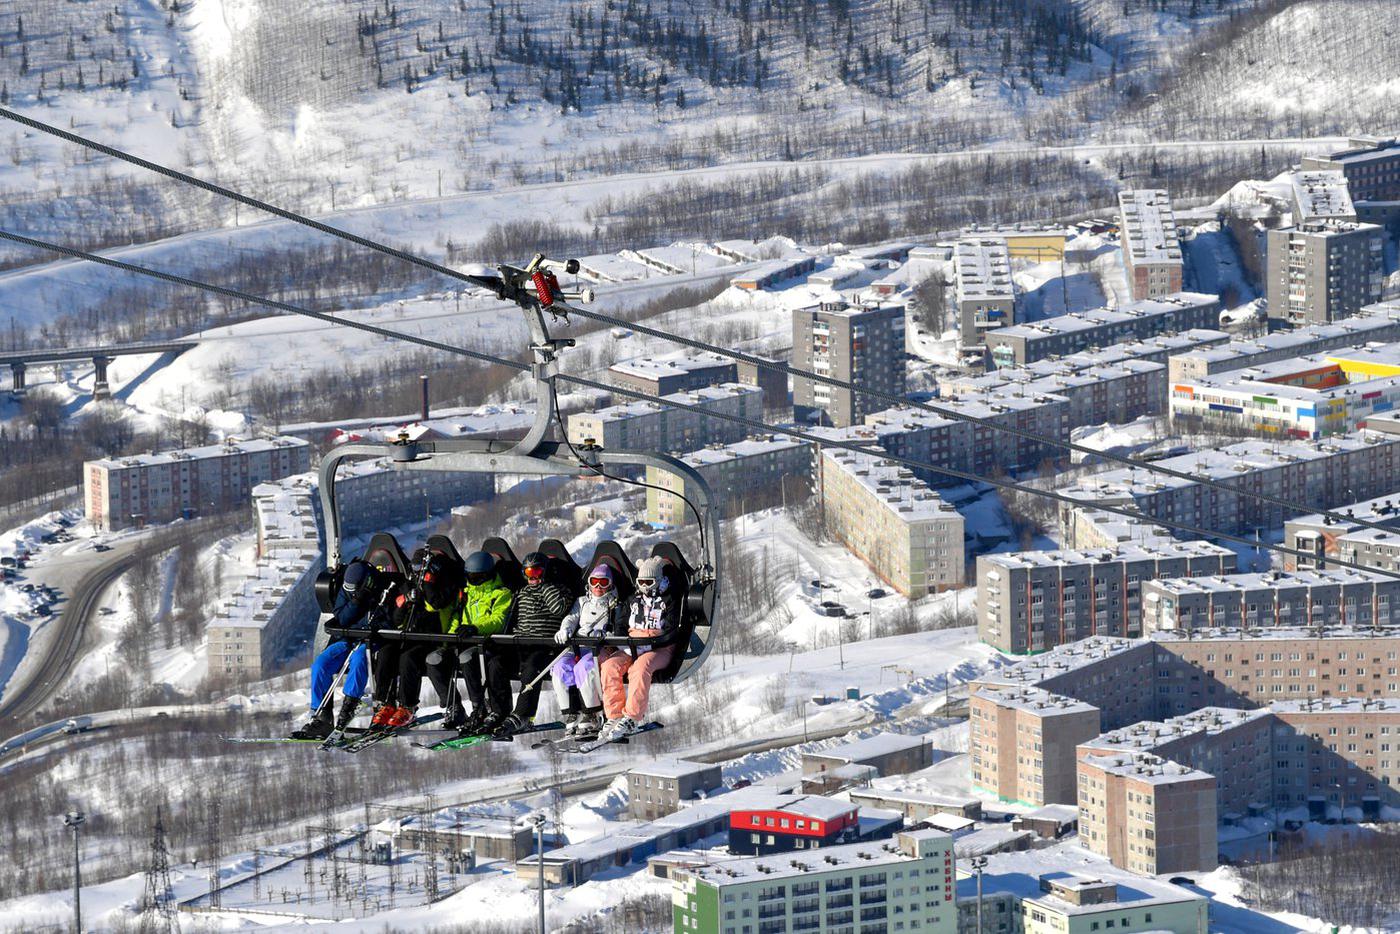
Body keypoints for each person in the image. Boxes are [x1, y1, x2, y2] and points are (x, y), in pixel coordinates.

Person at [291, 560, 398, 740]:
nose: (350, 592)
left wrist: (371, 615)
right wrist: (357, 600)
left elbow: (390, 620)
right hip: (347, 637)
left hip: (371, 640)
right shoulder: (348, 589)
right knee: (321, 664)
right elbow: (341, 617)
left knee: (359, 658)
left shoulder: (384, 589)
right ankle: (321, 716)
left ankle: (350, 705)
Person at [371, 549, 459, 729]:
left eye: (420, 568)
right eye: (415, 567)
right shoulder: (407, 585)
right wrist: (405, 602)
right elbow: (396, 620)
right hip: (407, 635)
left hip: (430, 638)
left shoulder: (444, 586)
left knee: (408, 658)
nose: (417, 572)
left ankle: (407, 705)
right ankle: (384, 702)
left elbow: (436, 604)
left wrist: (427, 585)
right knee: (386, 652)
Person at [488, 551, 572, 738]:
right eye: (528, 572)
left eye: (537, 572)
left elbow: (558, 609)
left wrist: (546, 585)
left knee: (531, 669)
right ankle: (499, 711)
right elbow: (512, 616)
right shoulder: (522, 592)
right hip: (520, 642)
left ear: (546, 572)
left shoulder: (560, 590)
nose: (532, 577)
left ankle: (523, 715)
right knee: (496, 664)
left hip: (543, 644)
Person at [599, 556, 680, 740]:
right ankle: (614, 715)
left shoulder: (669, 600)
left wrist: (653, 641)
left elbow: (672, 628)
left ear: (658, 581)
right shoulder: (633, 600)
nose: (644, 586)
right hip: (632, 644)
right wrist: (623, 642)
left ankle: (632, 717)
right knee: (609, 666)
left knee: (640, 669)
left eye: (648, 582)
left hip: (659, 647)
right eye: (640, 582)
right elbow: (620, 624)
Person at [435, 551, 513, 733]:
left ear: (488, 574)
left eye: (477, 577)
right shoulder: (465, 594)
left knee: (467, 658)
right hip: (464, 641)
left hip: (486, 643)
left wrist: (475, 628)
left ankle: (479, 708)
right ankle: (454, 707)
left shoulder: (501, 594)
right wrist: (450, 638)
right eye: (470, 576)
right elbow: (457, 617)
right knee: (434, 660)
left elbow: (498, 620)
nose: (473, 580)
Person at [550, 564, 625, 737]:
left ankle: (592, 713)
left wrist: (603, 634)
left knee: (584, 668)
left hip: (598, 649)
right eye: (594, 581)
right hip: (578, 645)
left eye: (603, 582)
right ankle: (572, 712)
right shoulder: (582, 601)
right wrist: (565, 630)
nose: (598, 586)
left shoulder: (615, 605)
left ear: (610, 585)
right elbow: (571, 618)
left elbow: (619, 627)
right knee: (559, 667)